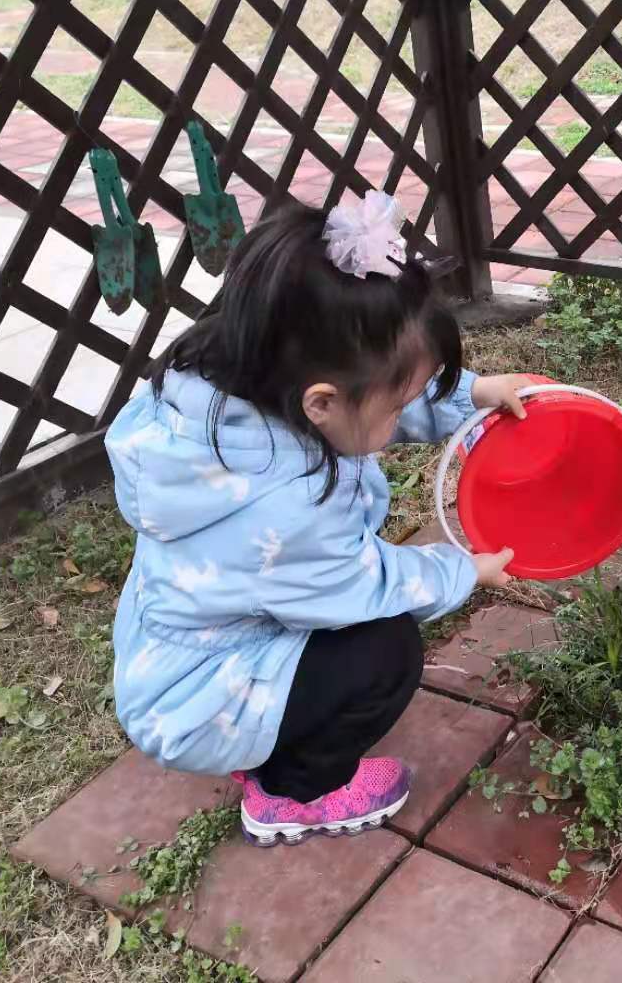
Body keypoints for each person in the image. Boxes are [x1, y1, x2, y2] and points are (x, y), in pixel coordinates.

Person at [105, 191, 527, 847]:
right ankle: (294, 790)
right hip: (193, 700)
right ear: (322, 402)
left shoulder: (238, 396)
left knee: (361, 638)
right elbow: (360, 587)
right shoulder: (288, 510)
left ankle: (268, 731)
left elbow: (373, 405)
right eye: (397, 406)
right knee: (383, 652)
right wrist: (460, 570)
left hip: (186, 655)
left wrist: (472, 393)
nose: (400, 418)